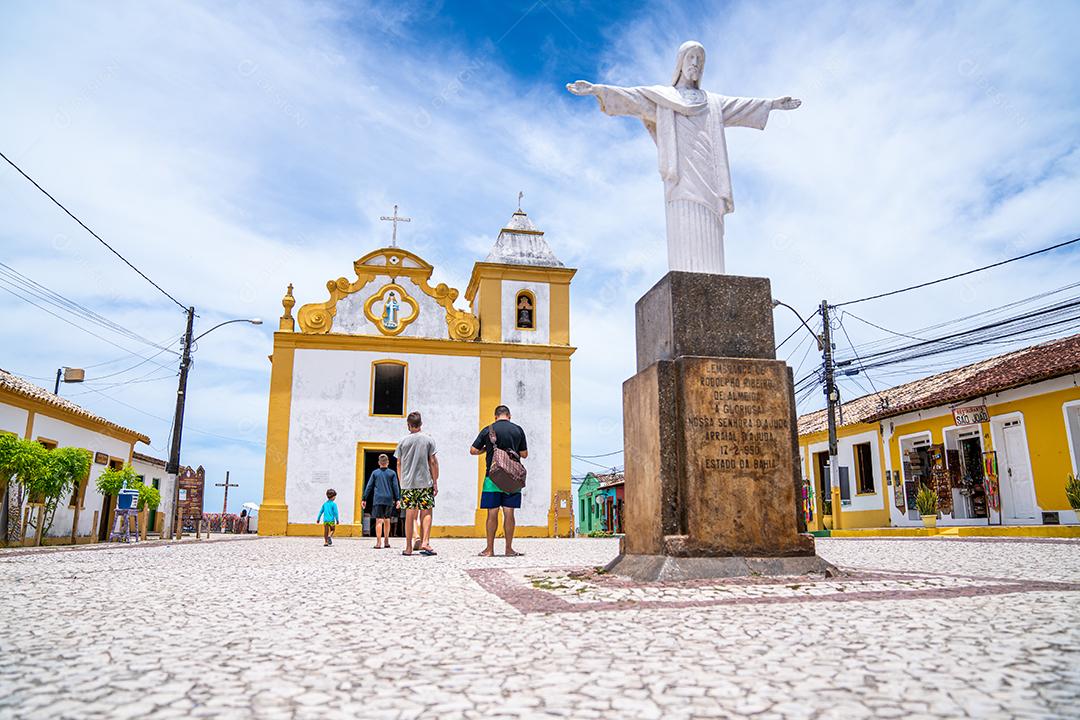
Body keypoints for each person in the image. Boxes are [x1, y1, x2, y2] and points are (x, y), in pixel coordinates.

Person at [471, 405, 528, 557]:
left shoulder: (488, 430)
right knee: (509, 513)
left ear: (495, 416)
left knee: (492, 513)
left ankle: (489, 549)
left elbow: (473, 450)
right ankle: (509, 549)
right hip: (512, 479)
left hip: (492, 477)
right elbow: (524, 454)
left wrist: (487, 449)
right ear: (509, 416)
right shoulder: (518, 430)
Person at [394, 411, 439, 556]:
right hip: (425, 482)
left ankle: (408, 547)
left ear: (408, 425)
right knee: (426, 512)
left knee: (410, 515)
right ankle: (425, 541)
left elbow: (399, 463)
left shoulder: (402, 441)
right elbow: (432, 462)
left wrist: (402, 483)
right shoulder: (428, 440)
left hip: (408, 484)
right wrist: (435, 481)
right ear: (421, 424)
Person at [362, 453, 401, 549]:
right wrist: (398, 499)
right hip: (388, 499)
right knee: (387, 519)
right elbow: (395, 487)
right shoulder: (392, 473)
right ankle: (386, 540)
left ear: (379, 463)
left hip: (378, 499)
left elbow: (369, 486)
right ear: (387, 462)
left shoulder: (375, 473)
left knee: (379, 520)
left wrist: (364, 498)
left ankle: (378, 542)